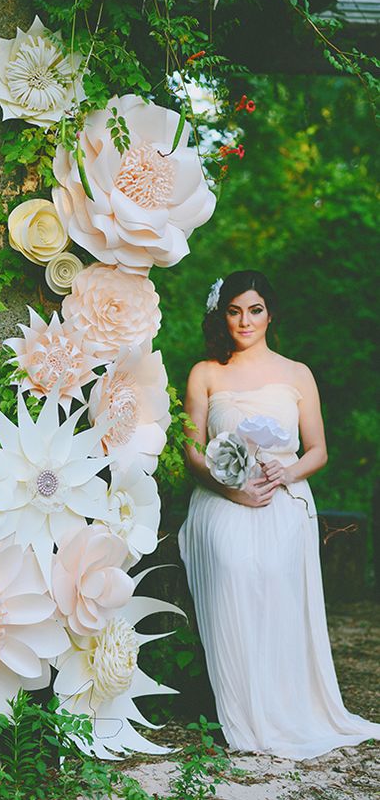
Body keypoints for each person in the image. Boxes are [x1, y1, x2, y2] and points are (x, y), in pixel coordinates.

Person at [178, 269, 380, 760]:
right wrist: (233, 488)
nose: (244, 321)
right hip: (224, 497)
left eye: (255, 309)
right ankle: (245, 710)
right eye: (234, 310)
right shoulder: (206, 373)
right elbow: (191, 452)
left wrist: (282, 476)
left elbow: (318, 451)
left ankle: (289, 705)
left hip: (284, 495)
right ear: (221, 315)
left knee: (273, 571)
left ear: (270, 313)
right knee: (235, 566)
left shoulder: (297, 374)